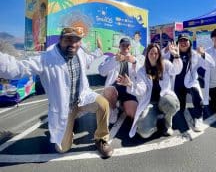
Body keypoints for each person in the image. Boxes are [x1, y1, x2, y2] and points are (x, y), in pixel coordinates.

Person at [0, 26, 113, 158]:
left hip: (83, 98)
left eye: (76, 40)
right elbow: (18, 68)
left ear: (80, 42)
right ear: (60, 40)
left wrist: (99, 49)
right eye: (68, 39)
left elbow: (91, 57)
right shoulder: (46, 59)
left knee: (103, 104)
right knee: (62, 149)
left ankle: (101, 139)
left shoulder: (80, 53)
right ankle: (69, 128)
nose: (72, 43)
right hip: (65, 108)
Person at [117, 43, 183, 138]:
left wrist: (176, 56)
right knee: (144, 132)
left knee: (171, 103)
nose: (153, 55)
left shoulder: (165, 65)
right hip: (150, 103)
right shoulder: (142, 71)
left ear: (159, 54)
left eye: (156, 53)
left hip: (163, 99)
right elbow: (141, 90)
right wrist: (130, 84)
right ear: (147, 54)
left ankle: (167, 124)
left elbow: (176, 70)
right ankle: (156, 122)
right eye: (151, 53)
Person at [162, 33, 215, 132]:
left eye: (185, 41)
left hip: (190, 83)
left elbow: (211, 65)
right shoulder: (171, 53)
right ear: (177, 43)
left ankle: (198, 118)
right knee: (179, 108)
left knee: (197, 97)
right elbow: (159, 58)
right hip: (176, 85)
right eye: (181, 41)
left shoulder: (195, 54)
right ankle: (171, 118)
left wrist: (203, 54)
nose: (183, 43)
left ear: (189, 43)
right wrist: (166, 50)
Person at [98, 37, 143, 124]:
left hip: (128, 88)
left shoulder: (135, 59)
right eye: (123, 45)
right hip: (114, 88)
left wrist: (134, 63)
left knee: (133, 113)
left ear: (130, 47)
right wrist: (115, 60)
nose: (125, 47)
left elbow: (141, 76)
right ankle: (113, 109)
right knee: (109, 91)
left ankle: (123, 105)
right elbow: (102, 72)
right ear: (119, 47)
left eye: (128, 45)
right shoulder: (112, 58)